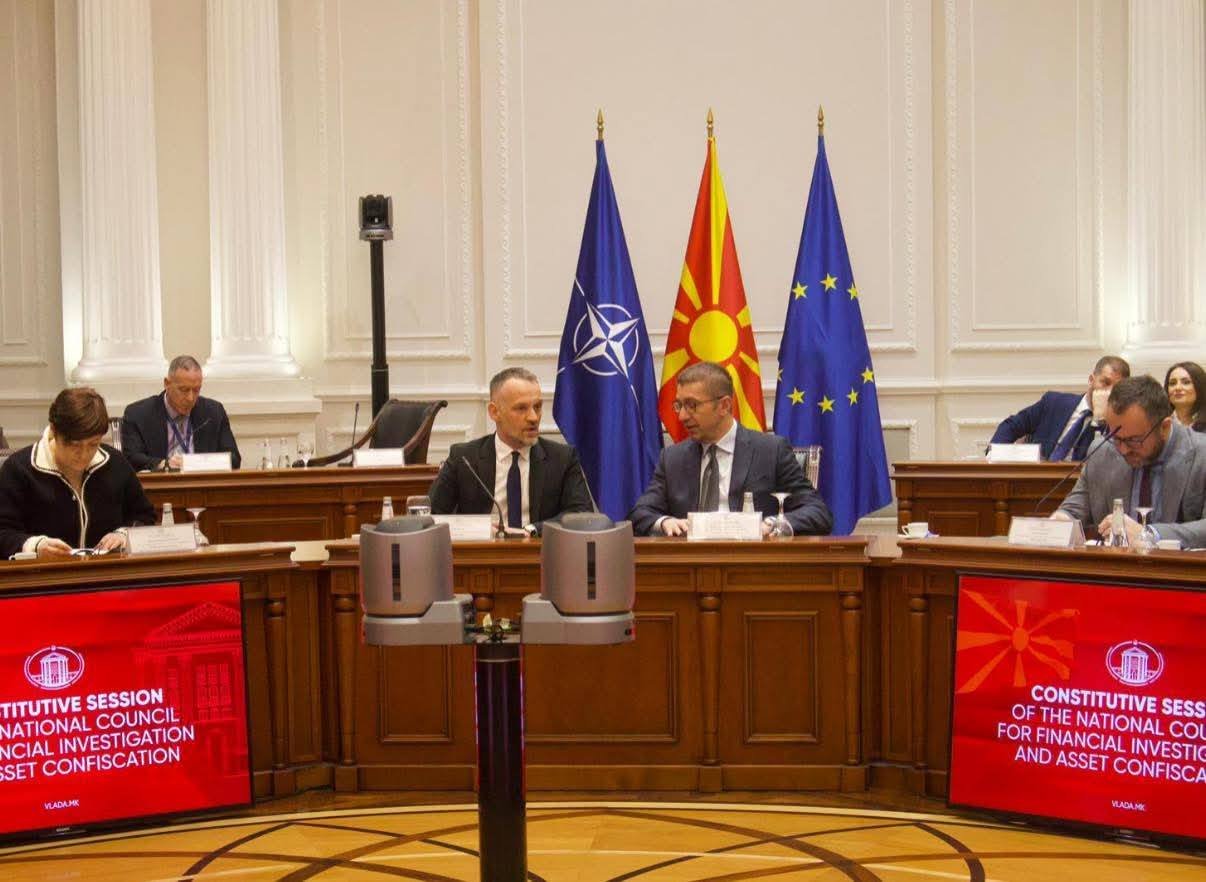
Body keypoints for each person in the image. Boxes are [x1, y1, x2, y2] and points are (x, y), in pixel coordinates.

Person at [629, 361, 832, 536]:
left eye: (692, 405)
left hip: (752, 562)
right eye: (679, 405)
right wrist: (665, 522)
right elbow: (640, 513)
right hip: (691, 563)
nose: (682, 416)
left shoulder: (771, 451)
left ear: (724, 405)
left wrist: (771, 524)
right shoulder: (672, 458)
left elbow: (817, 512)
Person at [428, 367, 593, 534]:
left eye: (537, 407)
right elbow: (431, 517)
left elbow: (581, 514)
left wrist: (532, 530)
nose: (533, 417)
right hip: (483, 549)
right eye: (521, 408)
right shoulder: (464, 459)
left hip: (539, 548)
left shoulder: (562, 458)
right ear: (495, 412)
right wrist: (480, 529)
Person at [0, 388, 156, 559]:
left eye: (93, 444)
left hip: (107, 569)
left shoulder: (115, 463)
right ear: (54, 431)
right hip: (43, 572)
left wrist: (124, 534)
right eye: (74, 445)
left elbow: (144, 515)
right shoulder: (19, 469)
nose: (83, 454)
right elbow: (3, 532)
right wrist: (35, 546)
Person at [1053, 375, 1206, 549]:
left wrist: (1149, 534)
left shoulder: (1201, 454)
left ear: (1164, 427)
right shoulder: (1102, 452)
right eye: (1116, 438)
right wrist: (1060, 521)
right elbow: (1074, 510)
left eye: (1134, 440)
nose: (1123, 450)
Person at [990, 355, 1130, 461]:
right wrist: (994, 456)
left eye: (1116, 388)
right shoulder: (1053, 403)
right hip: (1039, 480)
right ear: (1091, 380)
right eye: (1105, 383)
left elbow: (1110, 466)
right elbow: (1011, 426)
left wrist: (1100, 419)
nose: (1109, 392)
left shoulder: (1118, 426)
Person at [121, 355, 241, 471]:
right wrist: (163, 464)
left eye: (196, 390)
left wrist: (197, 463)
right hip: (162, 483)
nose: (190, 398)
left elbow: (234, 459)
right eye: (184, 390)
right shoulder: (138, 414)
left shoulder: (213, 412)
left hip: (202, 482)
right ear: (167, 384)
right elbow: (131, 458)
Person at [1164, 361, 1206, 433]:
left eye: (1186, 382)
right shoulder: (1159, 423)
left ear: (1200, 387)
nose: (1177, 388)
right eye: (1172, 383)